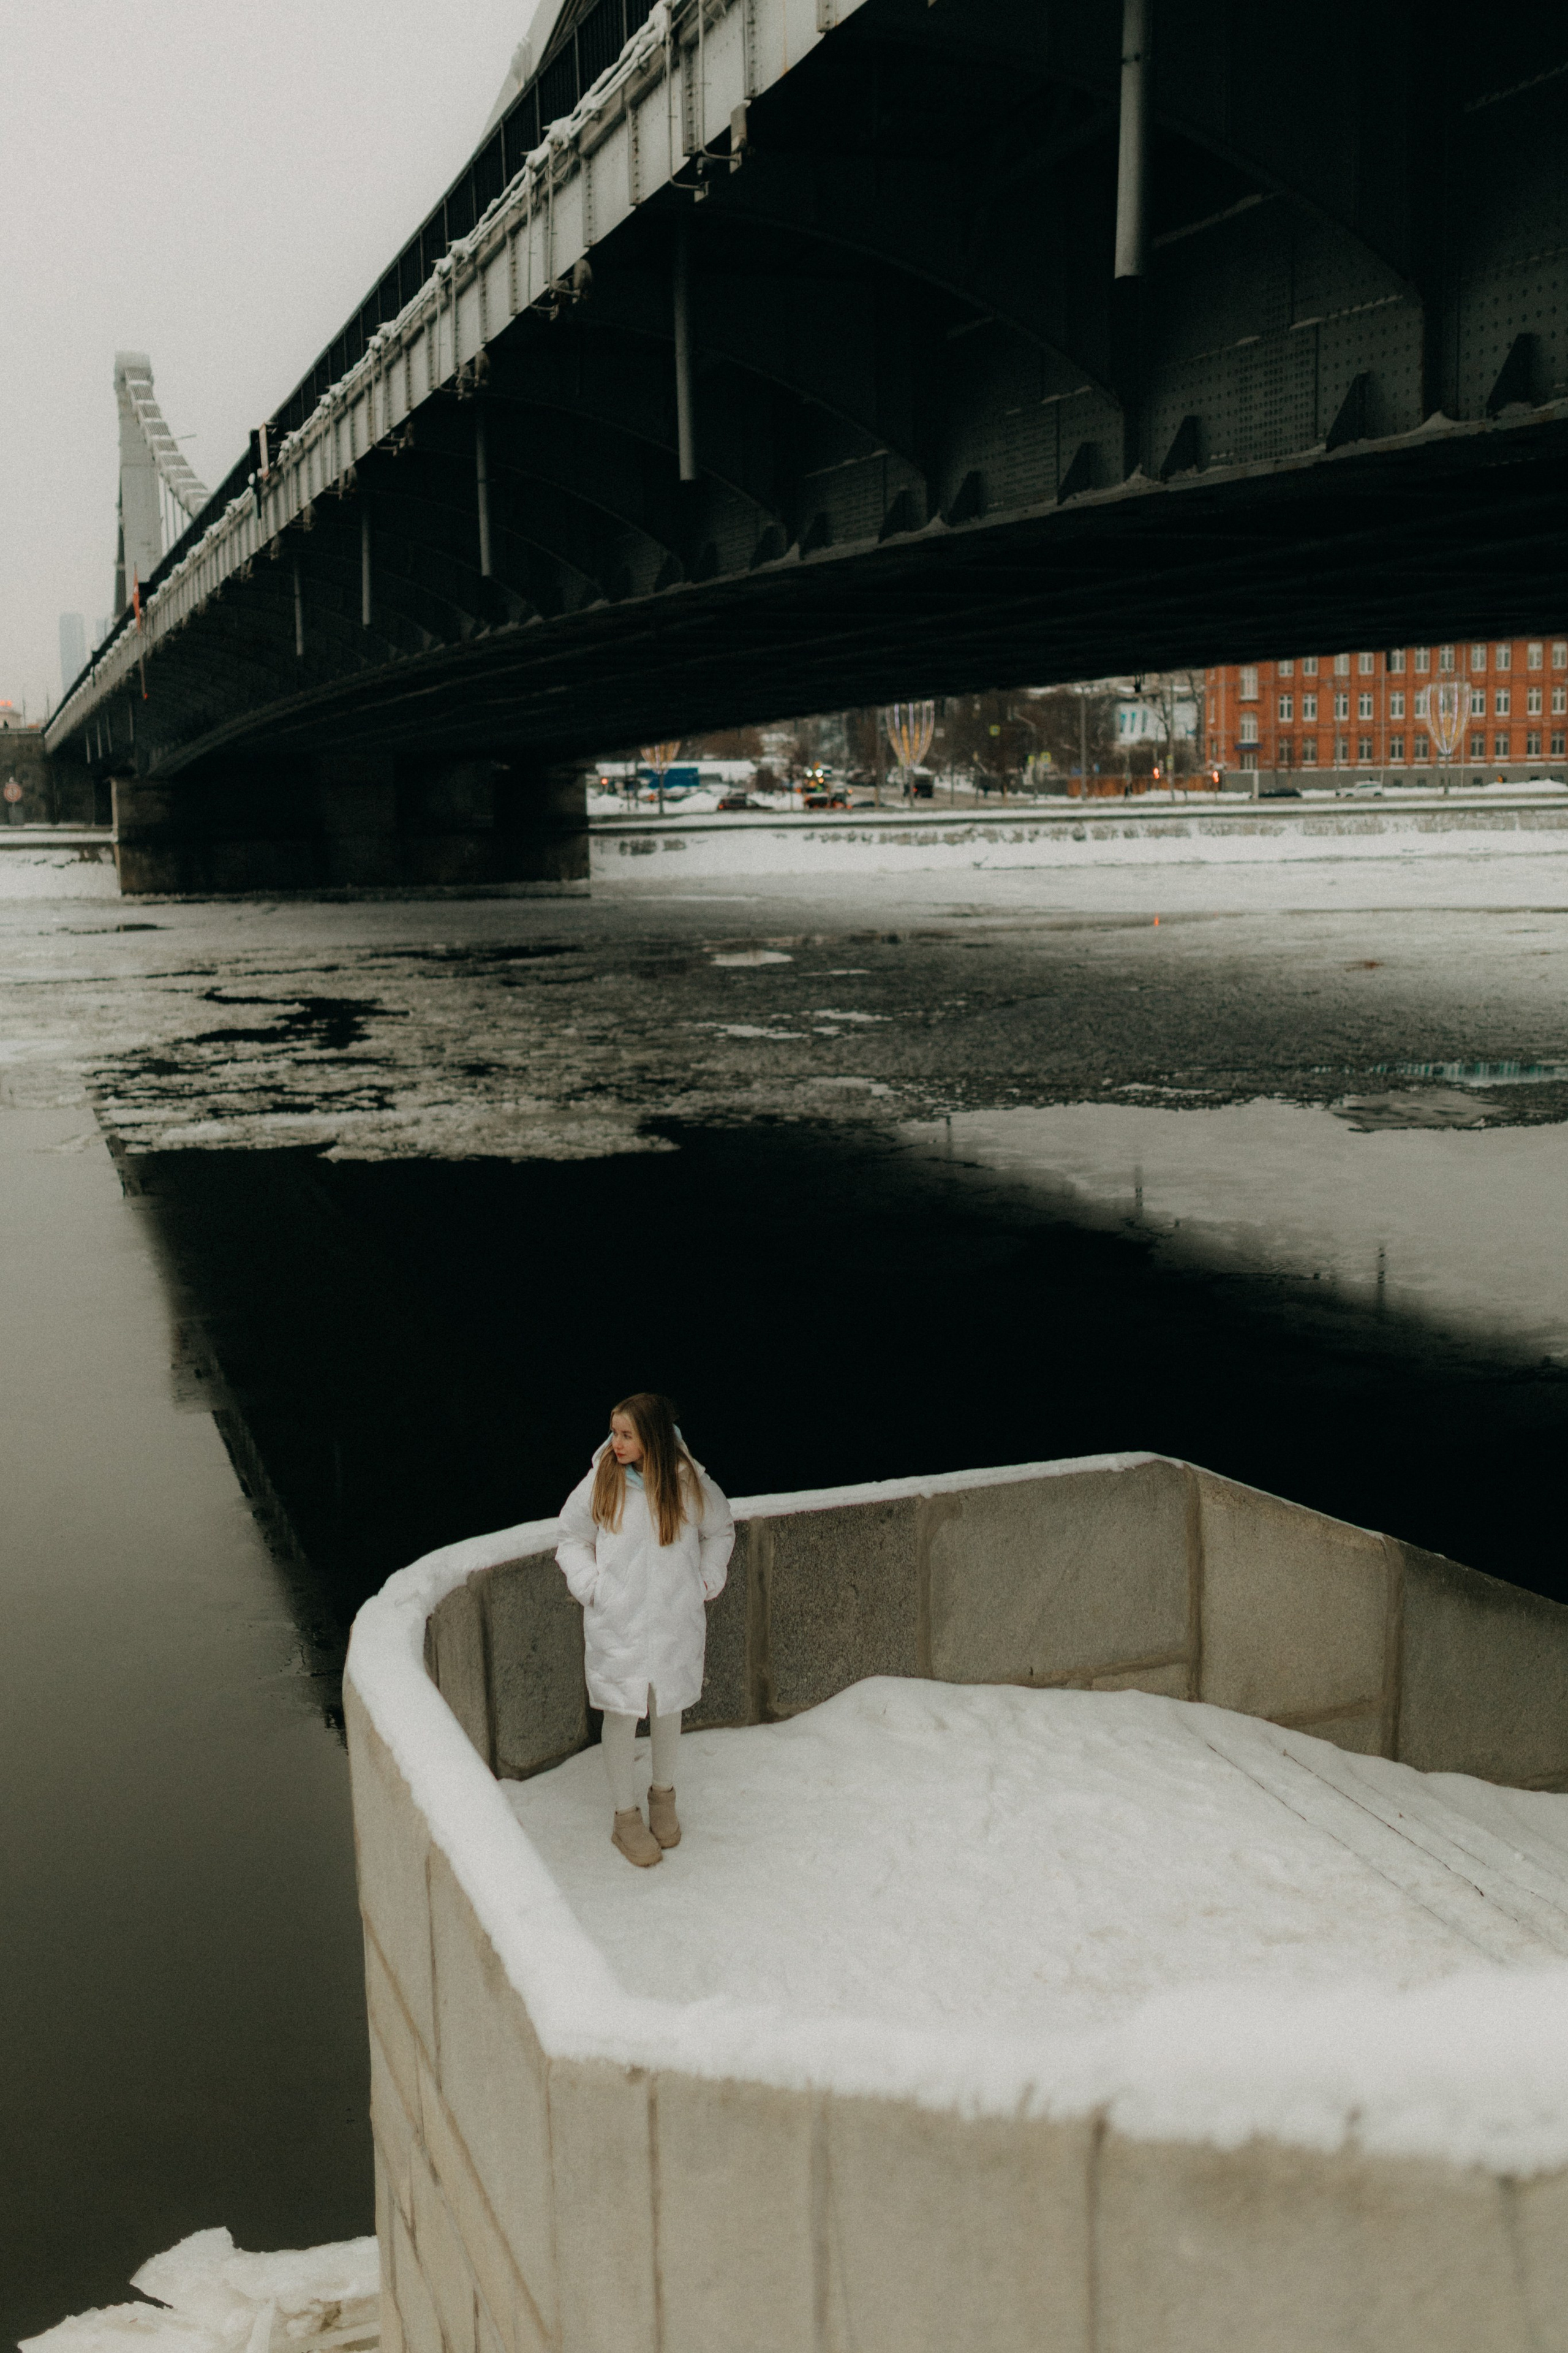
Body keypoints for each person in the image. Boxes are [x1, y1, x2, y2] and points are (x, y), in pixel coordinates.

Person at [555, 1393, 735, 1868]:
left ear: (651, 1437)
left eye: (626, 1434)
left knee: (667, 1705)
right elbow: (571, 1536)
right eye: (614, 1432)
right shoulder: (603, 1481)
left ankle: (663, 1798)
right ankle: (625, 1816)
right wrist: (592, 1586)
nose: (616, 1443)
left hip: (674, 1620)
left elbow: (721, 1529)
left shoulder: (687, 1482)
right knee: (620, 1712)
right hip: (621, 1623)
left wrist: (706, 1580)